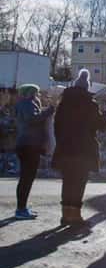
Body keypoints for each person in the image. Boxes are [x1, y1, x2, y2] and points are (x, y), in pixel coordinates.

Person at [53, 69, 106, 226]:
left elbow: (56, 125)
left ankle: (65, 215)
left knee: (67, 181)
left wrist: (61, 141)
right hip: (84, 149)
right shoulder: (90, 105)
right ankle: (75, 215)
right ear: (87, 87)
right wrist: (105, 113)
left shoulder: (63, 103)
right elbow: (100, 126)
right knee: (79, 181)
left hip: (65, 147)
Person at [14, 84, 55, 220]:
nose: (38, 95)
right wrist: (50, 110)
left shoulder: (22, 104)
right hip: (30, 145)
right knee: (27, 178)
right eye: (37, 93)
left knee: (25, 178)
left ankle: (22, 207)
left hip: (24, 144)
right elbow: (33, 119)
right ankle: (21, 209)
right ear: (31, 93)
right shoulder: (28, 104)